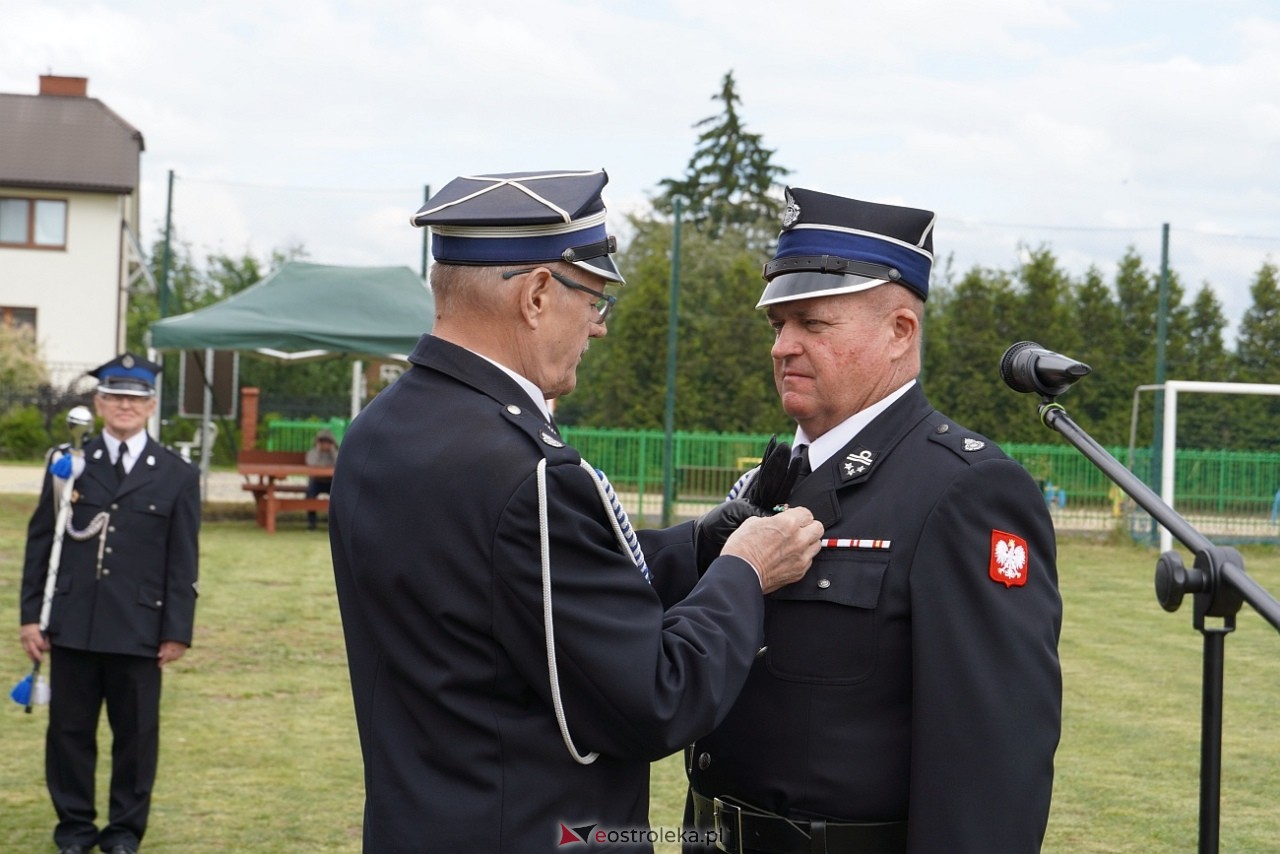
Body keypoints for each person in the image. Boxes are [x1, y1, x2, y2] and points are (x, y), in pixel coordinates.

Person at [328, 169, 824, 853]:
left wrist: (701, 545)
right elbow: (657, 697)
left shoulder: (379, 431)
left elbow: (517, 585)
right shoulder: (525, 471)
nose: (598, 329)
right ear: (536, 294)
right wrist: (743, 571)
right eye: (593, 300)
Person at [682, 188, 1063, 853]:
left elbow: (990, 762)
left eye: (812, 324)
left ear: (899, 332)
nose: (783, 347)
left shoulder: (965, 490)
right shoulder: (772, 482)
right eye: (777, 325)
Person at [19, 353, 201, 854]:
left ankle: (123, 833)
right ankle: (75, 830)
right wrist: (32, 616)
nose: (125, 405)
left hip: (141, 627)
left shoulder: (176, 474)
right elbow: (42, 542)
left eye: (136, 398)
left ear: (150, 406)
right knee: (69, 736)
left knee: (136, 740)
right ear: (99, 404)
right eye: (116, 397)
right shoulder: (69, 463)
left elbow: (183, 560)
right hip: (73, 622)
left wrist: (177, 629)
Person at [304, 428, 338, 530]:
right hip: (316, 481)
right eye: (322, 442)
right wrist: (318, 450)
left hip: (332, 482)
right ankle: (312, 522)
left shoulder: (335, 453)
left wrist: (332, 450)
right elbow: (311, 463)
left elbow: (340, 463)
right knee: (310, 494)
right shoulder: (313, 453)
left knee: (338, 498)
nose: (325, 444)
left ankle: (335, 524)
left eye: (327, 442)